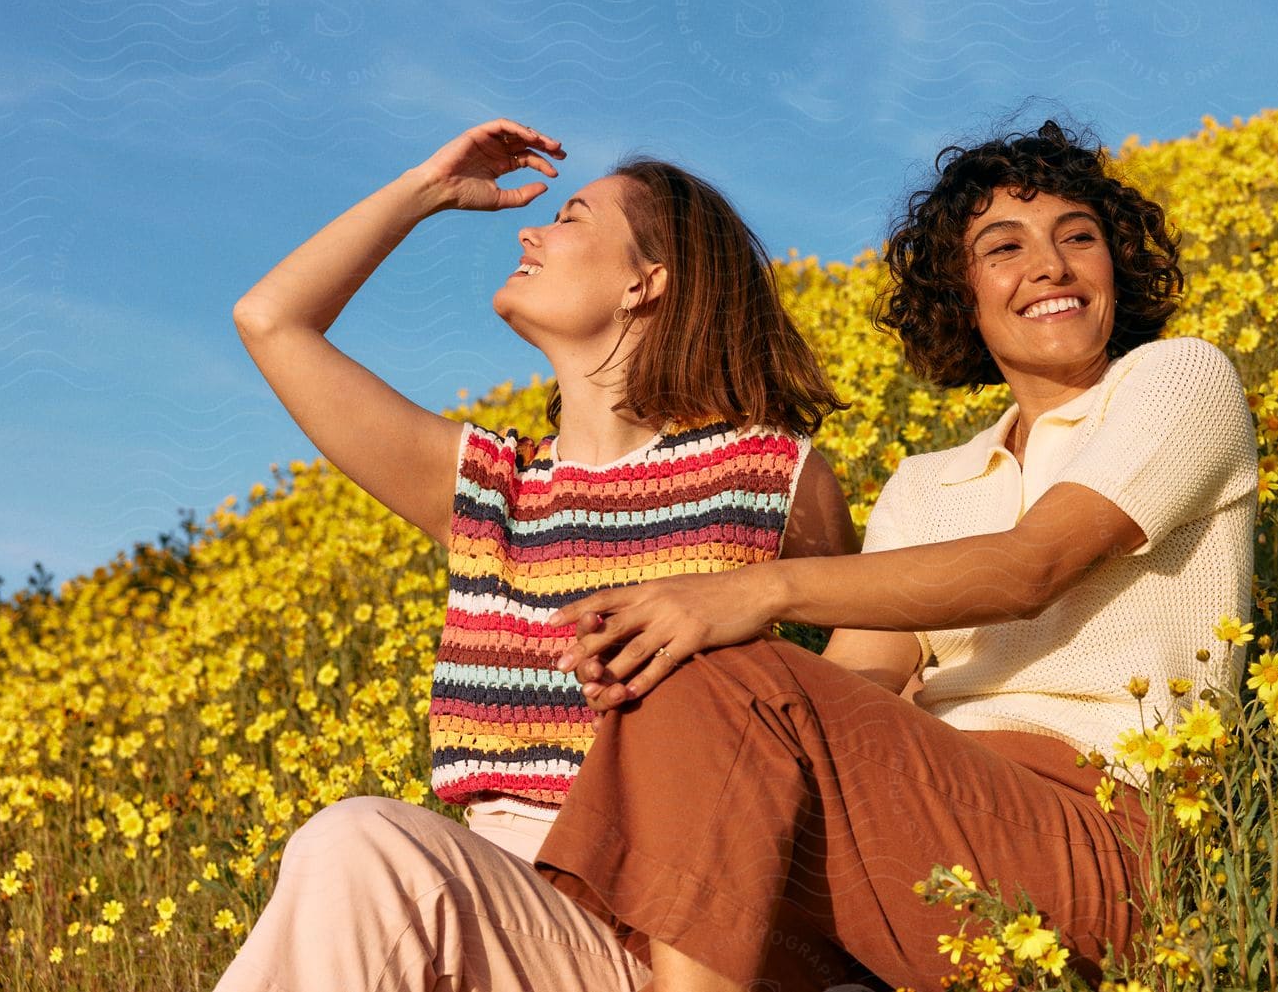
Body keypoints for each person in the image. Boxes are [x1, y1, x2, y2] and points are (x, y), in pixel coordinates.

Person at [541, 118, 1261, 992]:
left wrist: (756, 590)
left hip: (1109, 830)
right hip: (938, 827)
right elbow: (860, 682)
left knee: (723, 672)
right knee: (703, 684)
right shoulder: (927, 484)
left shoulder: (1178, 378)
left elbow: (1029, 567)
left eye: (1080, 237)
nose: (1051, 265)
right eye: (1005, 247)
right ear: (962, 295)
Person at [216, 118, 879, 992]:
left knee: (358, 846)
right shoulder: (494, 488)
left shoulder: (769, 476)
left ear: (647, 282)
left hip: (678, 925)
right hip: (502, 905)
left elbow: (865, 695)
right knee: (368, 857)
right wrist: (425, 188)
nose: (529, 229)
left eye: (569, 217)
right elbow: (270, 319)